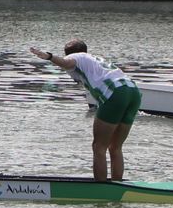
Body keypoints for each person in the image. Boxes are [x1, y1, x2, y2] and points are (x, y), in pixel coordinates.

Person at [30, 40, 141, 181]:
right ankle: (118, 185)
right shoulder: (96, 60)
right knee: (115, 147)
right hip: (133, 92)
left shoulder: (77, 57)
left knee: (98, 147)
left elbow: (66, 63)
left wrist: (49, 57)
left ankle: (101, 188)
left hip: (115, 93)